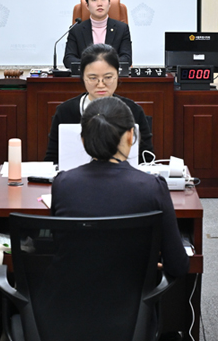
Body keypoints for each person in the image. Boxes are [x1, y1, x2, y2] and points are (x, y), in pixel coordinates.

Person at [51, 96, 189, 279]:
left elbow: (60, 243)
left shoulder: (62, 184)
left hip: (72, 292)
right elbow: (178, 265)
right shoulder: (152, 187)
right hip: (136, 294)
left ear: (83, 140)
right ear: (131, 136)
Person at [45, 44, 152, 164]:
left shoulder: (133, 110)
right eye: (93, 78)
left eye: (108, 77)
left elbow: (147, 159)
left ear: (117, 75)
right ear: (82, 77)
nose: (101, 85)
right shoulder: (65, 111)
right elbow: (52, 159)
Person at [63, 0, 132, 69]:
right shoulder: (76, 29)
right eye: (94, 0)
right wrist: (93, 65)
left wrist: (103, 65)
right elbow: (68, 59)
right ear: (87, 6)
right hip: (86, 75)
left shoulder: (122, 28)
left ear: (109, 4)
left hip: (111, 74)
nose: (100, 4)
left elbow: (127, 59)